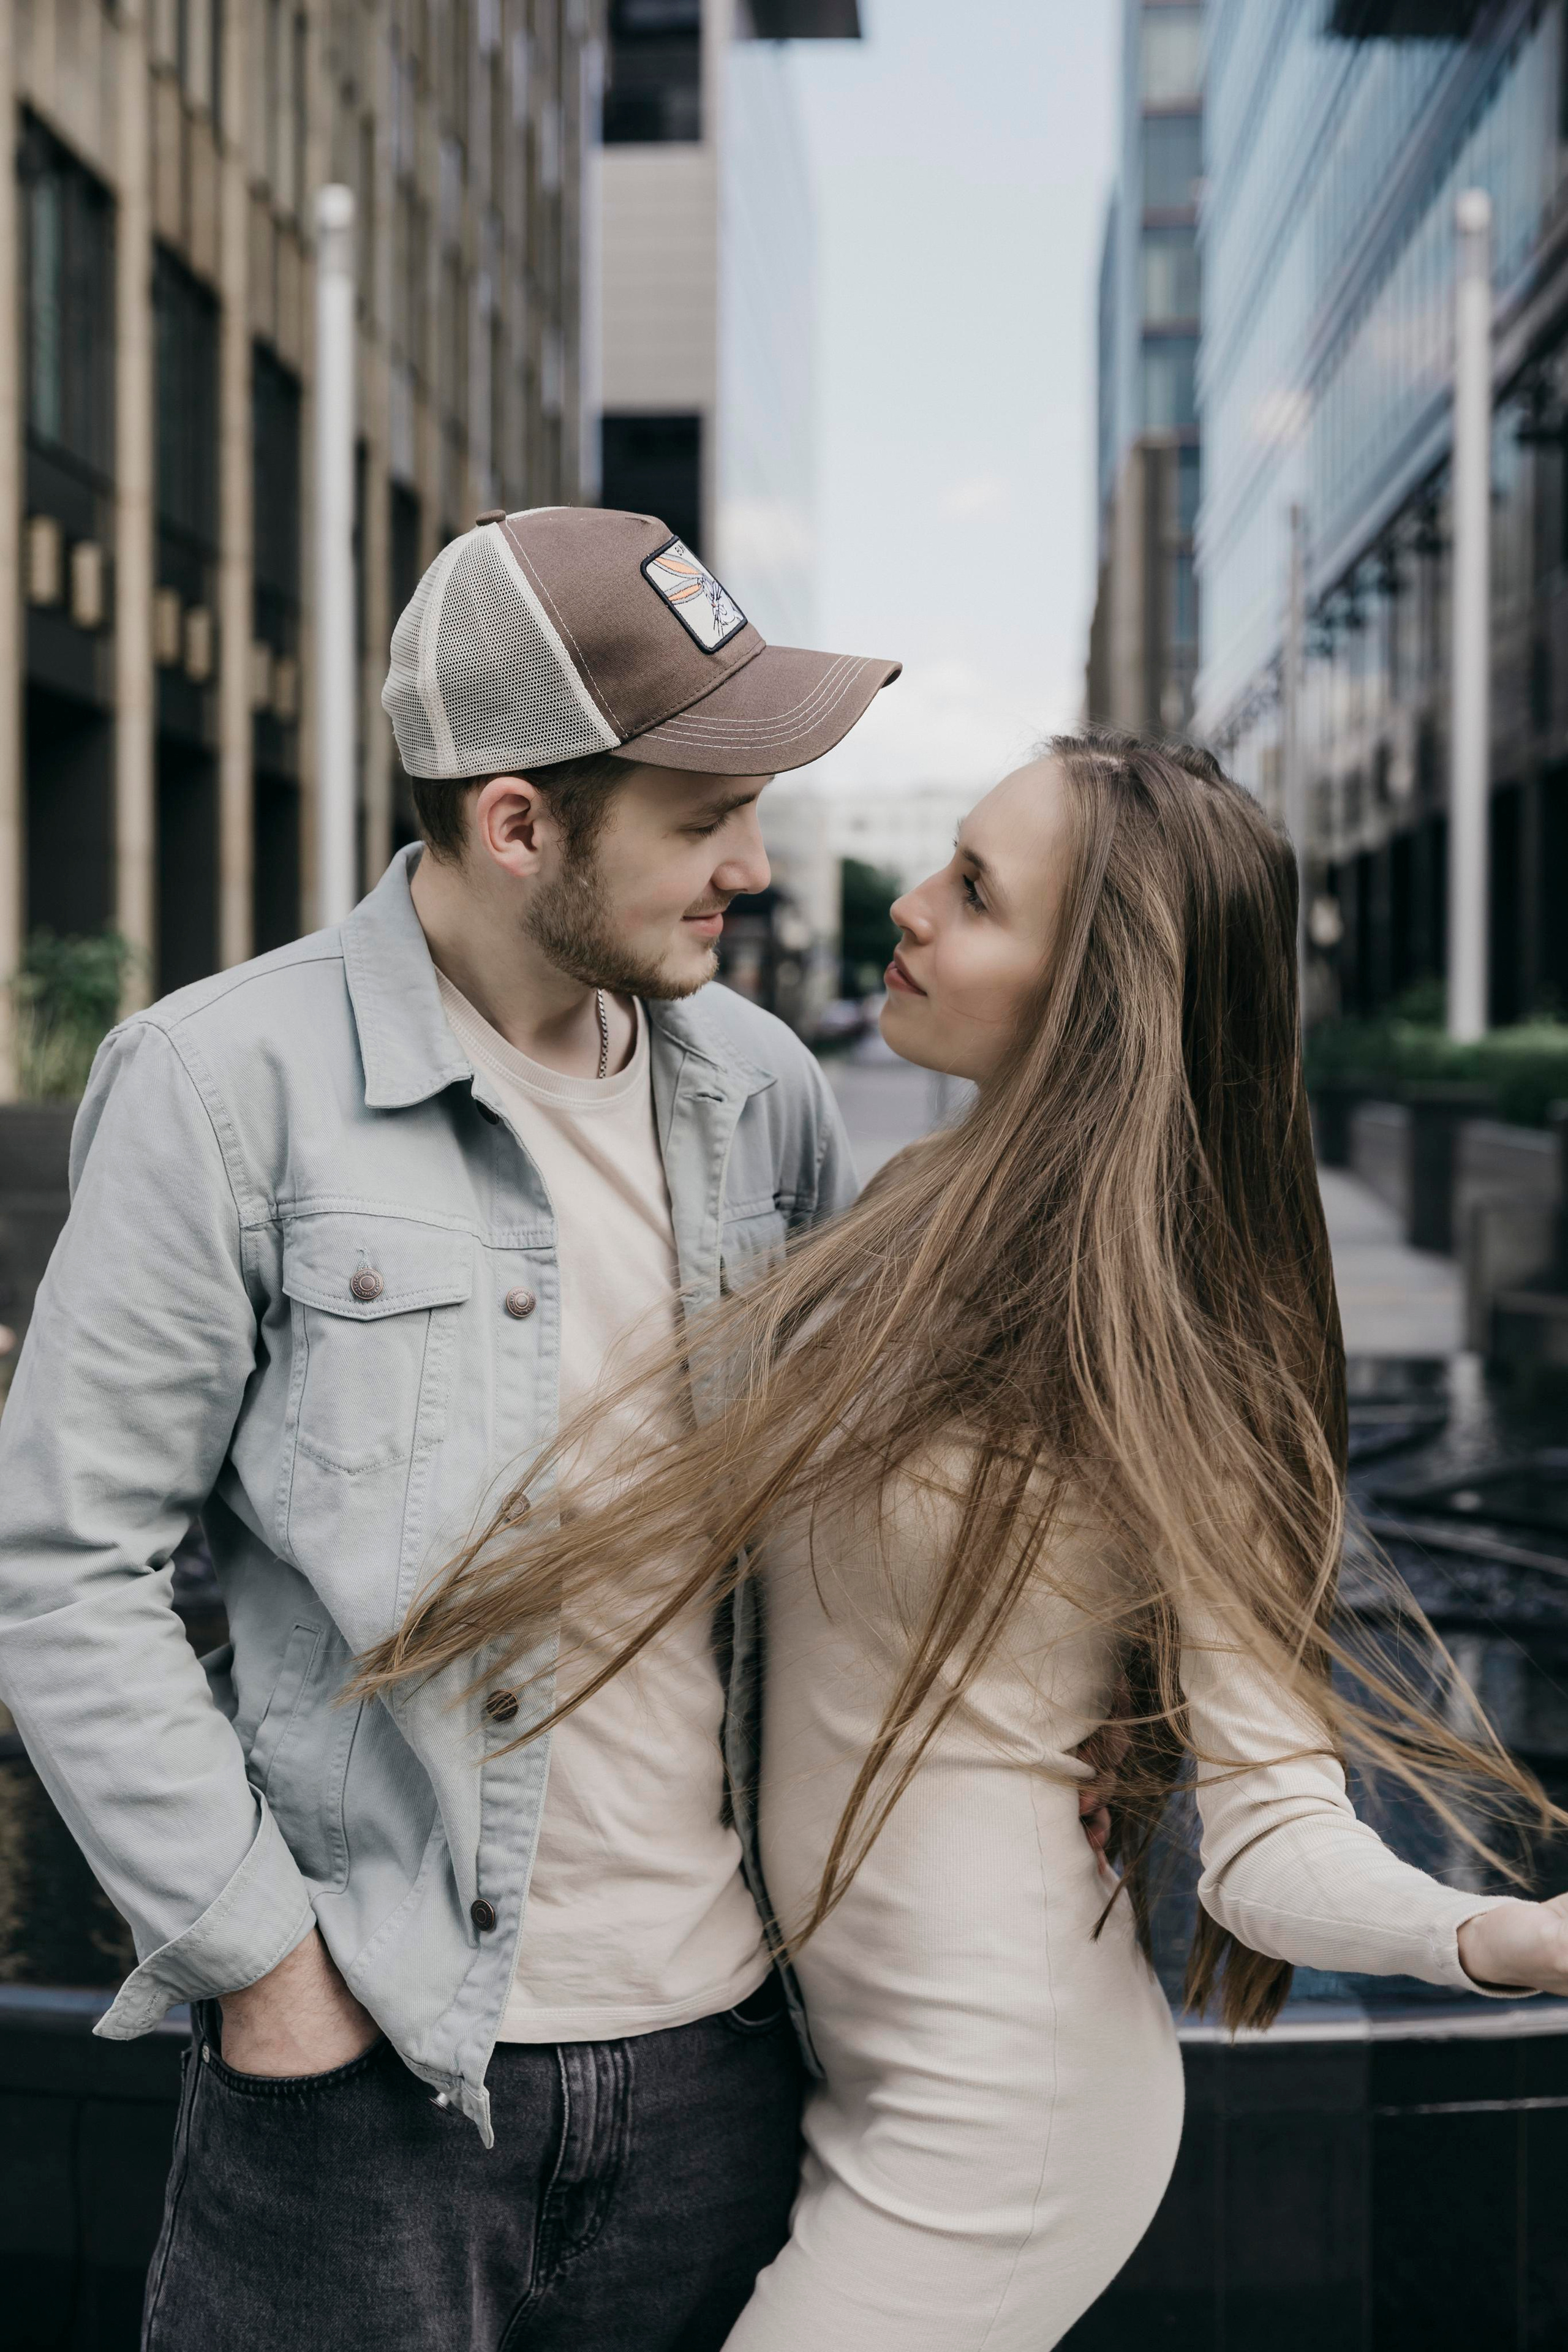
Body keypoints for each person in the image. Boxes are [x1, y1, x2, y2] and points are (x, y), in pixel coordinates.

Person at [360, 729, 1568, 2351]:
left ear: (1097, 998)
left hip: (998, 2122)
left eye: (979, 895)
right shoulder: (912, 1204)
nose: (911, 909)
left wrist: (1496, 1936)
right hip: (815, 2062)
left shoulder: (1176, 1348)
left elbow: (1273, 1836)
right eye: (945, 862)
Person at [0, 507, 910, 2351]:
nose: (750, 862)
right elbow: (61, 1563)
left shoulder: (765, 1092)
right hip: (373, 2083)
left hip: (725, 2069)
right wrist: (268, 1969)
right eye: (697, 815)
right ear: (517, 823)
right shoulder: (223, 1085)